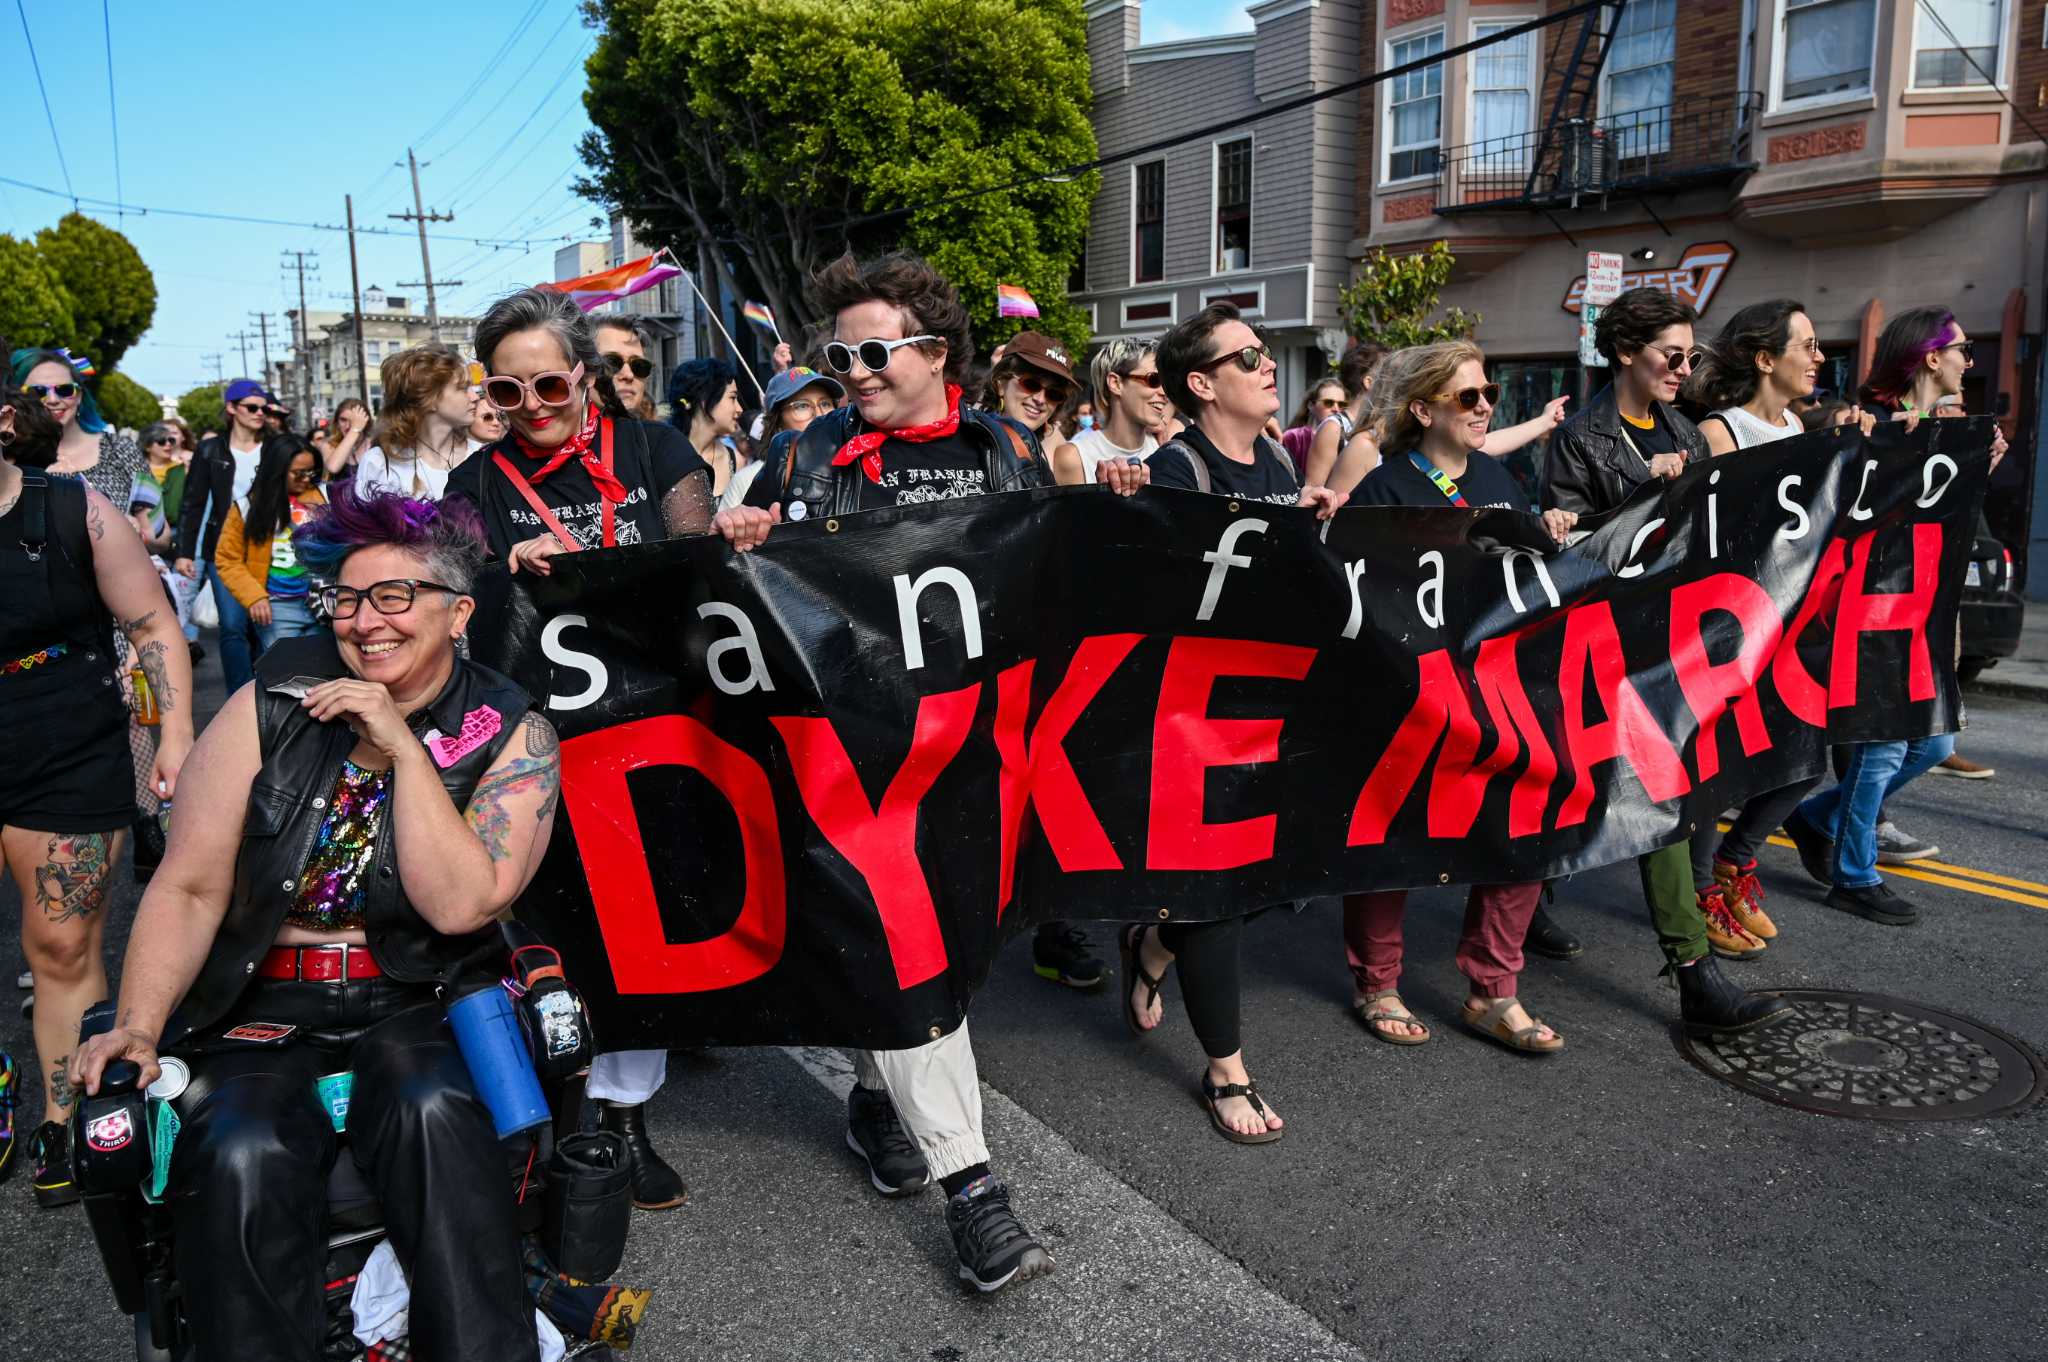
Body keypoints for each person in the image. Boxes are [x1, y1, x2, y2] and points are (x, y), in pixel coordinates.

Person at [720, 250, 1143, 1290]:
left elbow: (1058, 577)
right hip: (847, 759)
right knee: (900, 939)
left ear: (934, 353)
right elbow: (722, 588)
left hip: (975, 750)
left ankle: (873, 1092)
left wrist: (1118, 500)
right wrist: (737, 540)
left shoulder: (1003, 446)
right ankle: (975, 1193)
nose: (853, 371)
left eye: (872, 351)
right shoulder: (794, 458)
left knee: (950, 949)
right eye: (840, 353)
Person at [68, 488, 555, 1361]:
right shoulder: (272, 703)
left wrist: (403, 744)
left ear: (459, 613)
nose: (365, 622)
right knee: (242, 1150)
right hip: (262, 1001)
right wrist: (139, 1025)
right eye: (348, 598)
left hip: (420, 994)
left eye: (394, 597)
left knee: (436, 1110)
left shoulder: (510, 730)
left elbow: (460, 905)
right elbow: (185, 888)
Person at [445, 285, 708, 1210]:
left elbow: (696, 561)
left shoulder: (654, 449)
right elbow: (449, 597)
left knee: (644, 921)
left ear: (586, 377)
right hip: (536, 739)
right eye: (507, 393)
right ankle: (566, 1109)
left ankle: (628, 1115)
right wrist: (489, 570)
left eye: (549, 386)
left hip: (652, 728)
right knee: (547, 921)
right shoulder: (475, 483)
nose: (532, 410)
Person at [1113, 303, 1343, 1144]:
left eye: (1263, 353)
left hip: (1266, 713)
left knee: (1251, 887)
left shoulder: (1276, 469)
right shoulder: (1176, 470)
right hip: (1190, 722)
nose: (1267, 364)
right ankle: (1225, 1073)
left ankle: (1151, 948)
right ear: (1203, 384)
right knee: (1216, 888)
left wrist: (1307, 524)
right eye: (1247, 358)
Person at [1542, 287, 1792, 1037]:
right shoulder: (1583, 439)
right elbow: (1570, 549)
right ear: (1626, 353)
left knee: (1664, 800)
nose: (1684, 370)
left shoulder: (1685, 426)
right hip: (1601, 651)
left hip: (1673, 648)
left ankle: (1689, 970)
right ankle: (1686, 967)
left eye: (1691, 357)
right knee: (1606, 794)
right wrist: (1645, 494)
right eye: (1670, 356)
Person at [1340, 341, 1579, 1052]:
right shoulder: (1384, 488)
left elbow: (1528, 579)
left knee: (1527, 817)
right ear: (1423, 410)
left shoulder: (1499, 475)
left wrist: (1551, 534)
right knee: (1397, 831)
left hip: (1502, 689)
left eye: (1488, 396)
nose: (1483, 408)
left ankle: (1493, 989)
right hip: (1414, 694)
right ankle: (1378, 981)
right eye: (1467, 397)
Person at [1, 362, 193, 1208]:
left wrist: (175, 733)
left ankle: (62, 1112)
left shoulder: (71, 506)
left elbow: (150, 620)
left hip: (64, 744)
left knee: (64, 948)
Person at [1779, 305, 2008, 924]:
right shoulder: (1870, 421)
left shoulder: (1953, 428)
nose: (1969, 360)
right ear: (1932, 358)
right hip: (1869, 609)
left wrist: (1976, 468)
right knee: (1879, 750)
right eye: (1961, 349)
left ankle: (1815, 817)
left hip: (1921, 611)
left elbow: (1943, 521)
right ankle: (1856, 874)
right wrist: (1851, 432)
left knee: (1935, 743)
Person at [176, 380, 275, 693]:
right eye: (252, 407)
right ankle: (240, 698)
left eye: (264, 408)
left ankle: (269, 692)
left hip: (268, 546)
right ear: (232, 409)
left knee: (264, 625)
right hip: (224, 549)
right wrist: (185, 552)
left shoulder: (275, 446)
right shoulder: (211, 450)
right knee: (232, 625)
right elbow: (192, 502)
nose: (260, 413)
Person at [213, 436, 329, 652]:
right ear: (277, 469)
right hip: (276, 608)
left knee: (325, 671)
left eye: (311, 472)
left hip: (324, 602)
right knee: (284, 675)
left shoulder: (325, 497)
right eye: (299, 473)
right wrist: (254, 597)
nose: (306, 479)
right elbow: (227, 559)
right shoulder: (246, 507)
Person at [354, 343, 476, 501]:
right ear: (429, 399)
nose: (474, 396)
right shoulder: (379, 464)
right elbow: (362, 524)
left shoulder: (480, 456)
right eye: (463, 388)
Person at [1054, 337, 1169, 487]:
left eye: (1166, 383)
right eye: (1153, 380)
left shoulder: (1164, 444)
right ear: (1116, 383)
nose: (1164, 392)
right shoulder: (1074, 457)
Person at [729, 365, 844, 512]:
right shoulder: (746, 481)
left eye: (825, 403)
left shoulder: (860, 462)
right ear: (777, 423)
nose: (819, 414)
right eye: (802, 406)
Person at [667, 357, 744, 502]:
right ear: (703, 398)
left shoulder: (735, 460)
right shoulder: (662, 456)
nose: (739, 409)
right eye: (732, 398)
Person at [594, 315, 658, 421]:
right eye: (612, 362)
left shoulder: (665, 436)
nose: (628, 375)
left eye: (639, 365)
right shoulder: (560, 435)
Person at [317, 396, 372, 477]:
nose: (348, 426)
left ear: (365, 421)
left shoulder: (374, 444)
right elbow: (333, 467)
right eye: (343, 420)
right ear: (337, 422)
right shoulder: (329, 445)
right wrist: (355, 429)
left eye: (354, 421)